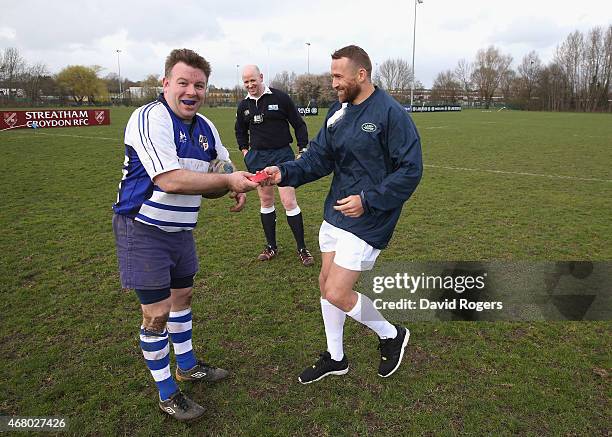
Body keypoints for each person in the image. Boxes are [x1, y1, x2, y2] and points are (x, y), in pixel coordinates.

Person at [112, 48, 259, 421]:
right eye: (183, 83)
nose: (191, 91)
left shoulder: (206, 126)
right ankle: (167, 393)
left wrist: (233, 180)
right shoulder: (149, 118)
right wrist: (226, 181)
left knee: (183, 296)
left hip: (180, 229)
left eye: (199, 84)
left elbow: (221, 162)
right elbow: (170, 180)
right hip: (142, 228)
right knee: (157, 314)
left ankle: (188, 365)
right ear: (166, 84)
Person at [263, 45, 423, 383]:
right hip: (336, 214)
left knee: (337, 291)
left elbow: (410, 170)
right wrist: (284, 173)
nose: (333, 82)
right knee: (325, 285)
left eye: (338, 76)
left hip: (369, 218)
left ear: (361, 75)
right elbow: (319, 157)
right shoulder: (338, 111)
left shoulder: (390, 113)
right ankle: (336, 357)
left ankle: (392, 335)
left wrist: (368, 200)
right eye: (332, 75)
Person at [235, 65, 314, 266]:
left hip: (282, 156)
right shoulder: (243, 106)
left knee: (288, 201)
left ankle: (302, 249)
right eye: (246, 82)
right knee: (266, 201)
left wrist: (303, 149)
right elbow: (240, 131)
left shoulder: (280, 98)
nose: (250, 85)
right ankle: (271, 247)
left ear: (261, 77)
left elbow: (299, 123)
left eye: (253, 80)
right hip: (259, 158)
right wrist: (246, 152)